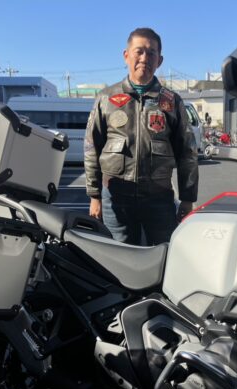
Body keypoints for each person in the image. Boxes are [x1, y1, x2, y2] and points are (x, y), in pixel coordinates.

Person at [84, 27, 198, 245]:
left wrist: (187, 198)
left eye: (151, 53)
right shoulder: (106, 98)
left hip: (159, 198)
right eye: (139, 51)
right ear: (126, 55)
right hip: (116, 198)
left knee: (164, 253)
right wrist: (94, 195)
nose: (145, 58)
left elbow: (188, 153)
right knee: (119, 256)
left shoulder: (171, 101)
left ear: (160, 60)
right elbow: (91, 147)